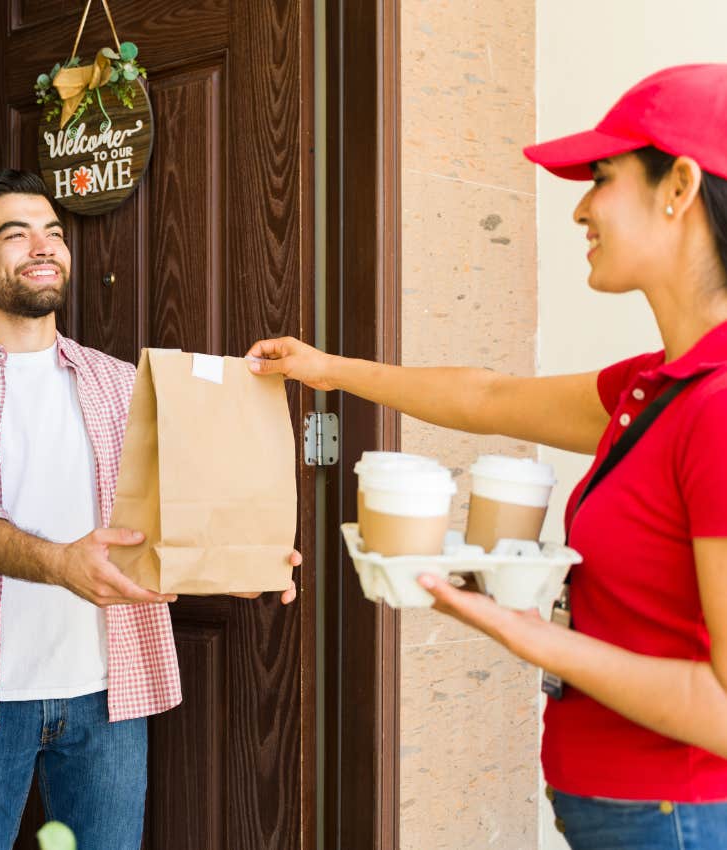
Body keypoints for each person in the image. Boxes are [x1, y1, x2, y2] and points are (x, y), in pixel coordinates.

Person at [247, 64, 727, 849]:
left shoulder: (718, 405)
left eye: (601, 177)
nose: (580, 208)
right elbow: (491, 399)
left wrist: (521, 629)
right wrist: (325, 369)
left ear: (678, 186)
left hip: (679, 817)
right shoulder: (657, 384)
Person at [0, 169, 301, 850]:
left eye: (53, 232)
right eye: (15, 235)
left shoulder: (119, 381)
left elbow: (171, 508)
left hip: (110, 691)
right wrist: (60, 562)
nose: (44, 246)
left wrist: (231, 563)